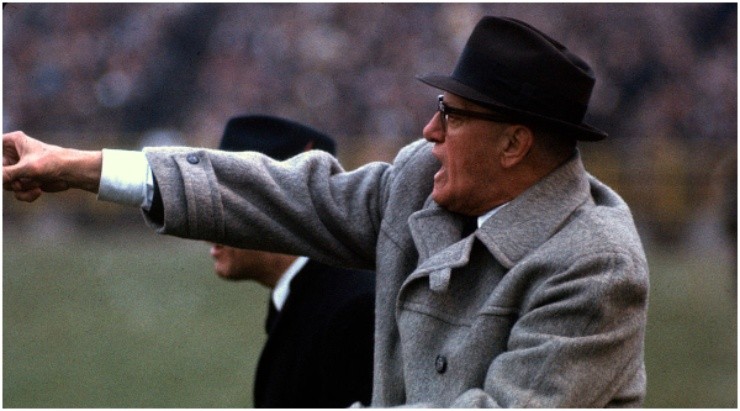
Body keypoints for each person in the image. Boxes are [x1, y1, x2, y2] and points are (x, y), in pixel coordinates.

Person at [4, 16, 649, 407]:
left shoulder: (596, 268)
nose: (429, 131)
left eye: (453, 116)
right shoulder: (418, 183)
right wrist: (82, 168)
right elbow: (283, 194)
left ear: (514, 145)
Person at [209, 115, 375, 408]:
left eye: (227, 203)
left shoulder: (351, 311)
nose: (207, 227)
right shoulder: (315, 298)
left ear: (282, 204)